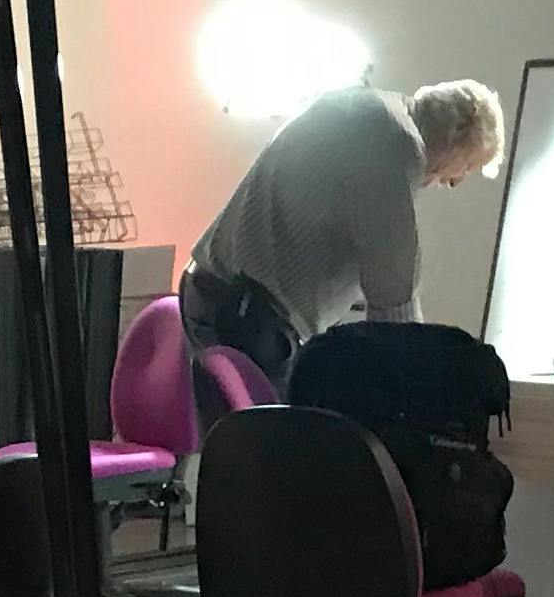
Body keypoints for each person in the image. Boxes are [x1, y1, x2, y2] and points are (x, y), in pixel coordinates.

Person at [179, 77, 505, 411]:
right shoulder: (393, 143)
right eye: (466, 168)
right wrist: (421, 389)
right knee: (270, 450)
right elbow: (393, 296)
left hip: (210, 293)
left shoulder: (360, 107)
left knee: (236, 446)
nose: (453, 181)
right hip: (248, 318)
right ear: (456, 140)